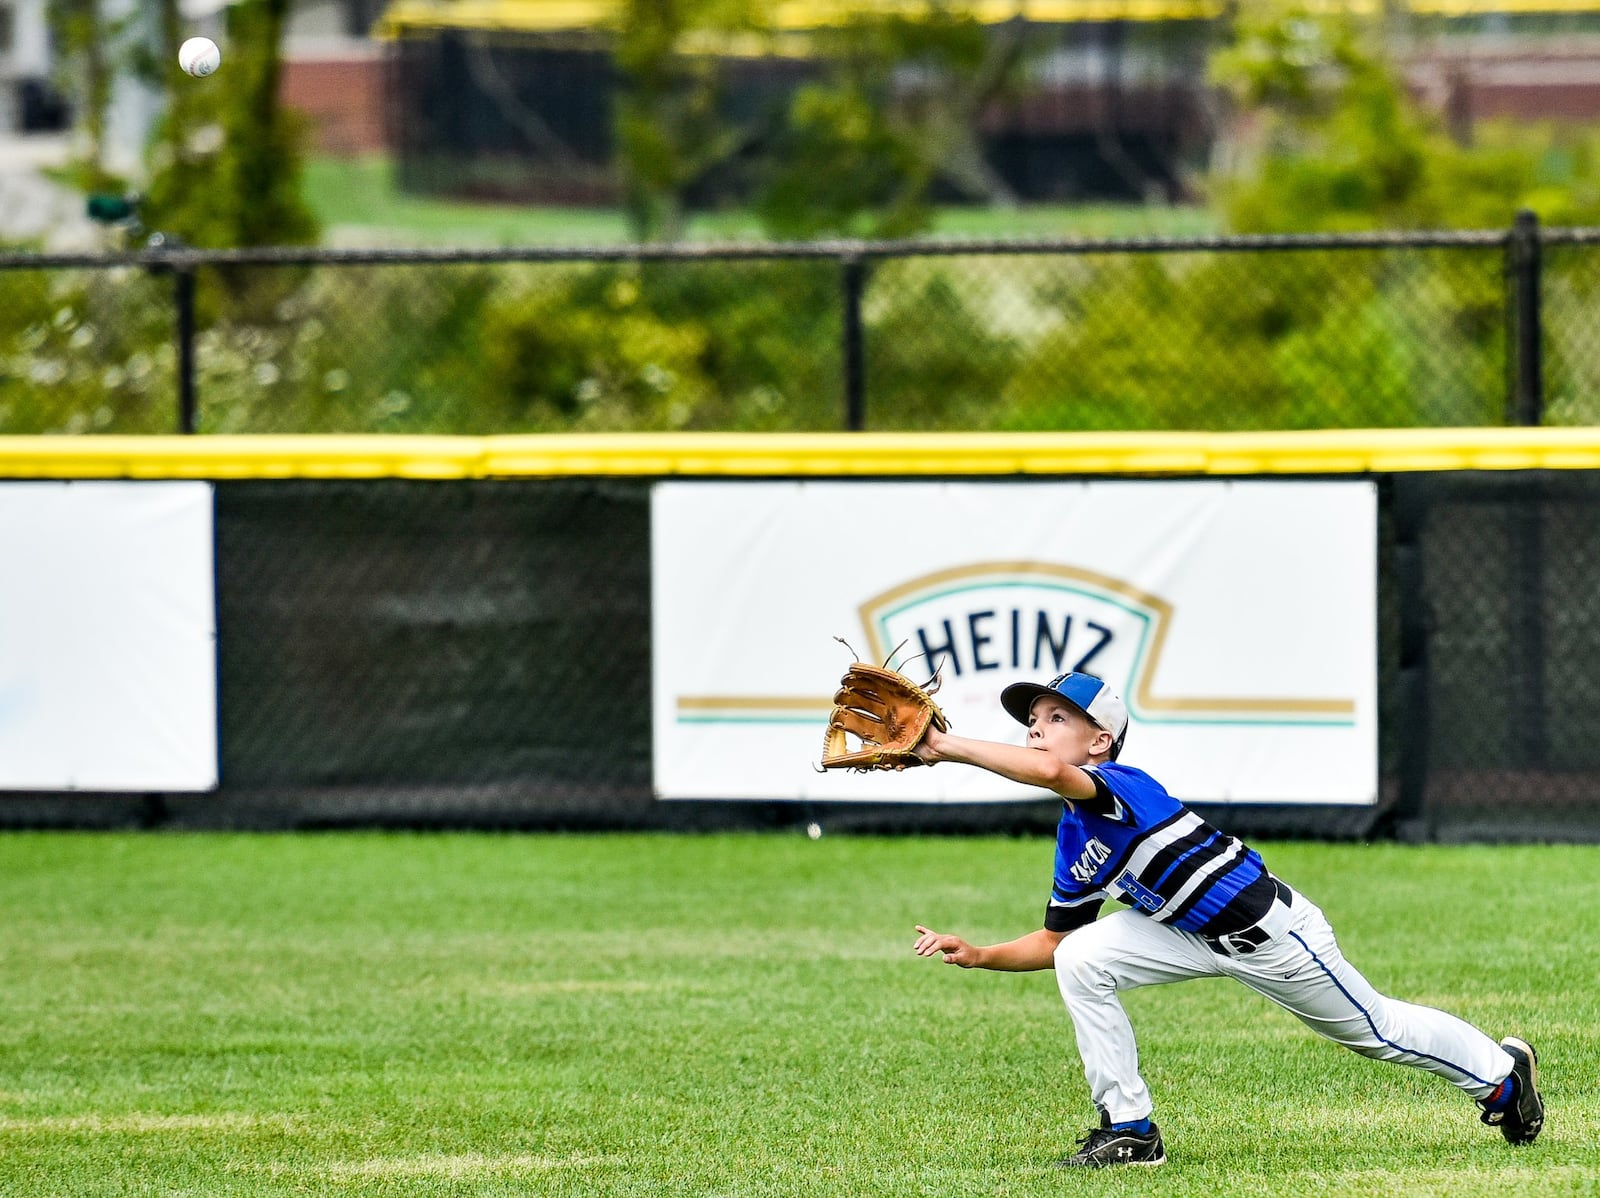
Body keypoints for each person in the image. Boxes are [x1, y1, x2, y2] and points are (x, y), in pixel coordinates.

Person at [908, 671, 1544, 1169]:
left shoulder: (1123, 784)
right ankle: (1130, 1130)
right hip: (1185, 936)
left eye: (1056, 717)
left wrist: (943, 747)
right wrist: (981, 953)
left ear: (1098, 741)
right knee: (1081, 958)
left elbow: (1049, 772)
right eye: (1032, 721)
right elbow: (1055, 940)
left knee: (1377, 1031)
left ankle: (1501, 1078)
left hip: (1272, 937)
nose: (1036, 730)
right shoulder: (1075, 841)